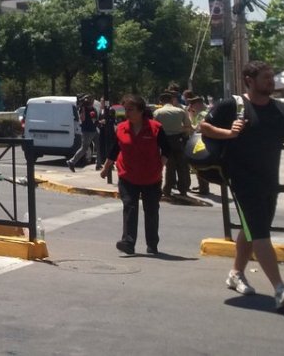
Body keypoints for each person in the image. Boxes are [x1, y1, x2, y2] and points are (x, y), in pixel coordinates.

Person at [200, 60, 284, 310]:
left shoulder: (281, 111)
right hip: (242, 180)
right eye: (266, 77)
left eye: (272, 77)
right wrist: (228, 133)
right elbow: (203, 127)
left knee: (252, 229)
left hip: (269, 180)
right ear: (249, 80)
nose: (272, 81)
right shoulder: (232, 105)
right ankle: (280, 288)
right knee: (259, 231)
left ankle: (236, 273)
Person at [99, 94, 167, 255]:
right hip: (127, 176)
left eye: (131, 109)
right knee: (130, 207)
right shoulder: (122, 128)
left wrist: (160, 166)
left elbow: (167, 150)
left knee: (151, 210)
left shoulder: (155, 128)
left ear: (141, 111)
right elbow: (115, 150)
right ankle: (128, 242)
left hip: (151, 177)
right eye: (126, 109)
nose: (127, 113)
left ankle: (152, 244)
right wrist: (106, 168)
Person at [154, 91, 194, 196]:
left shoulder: (158, 112)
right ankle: (183, 189)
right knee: (181, 165)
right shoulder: (180, 111)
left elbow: (154, 128)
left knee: (169, 165)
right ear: (172, 100)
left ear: (161, 101)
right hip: (179, 139)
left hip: (165, 140)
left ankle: (168, 188)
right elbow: (188, 126)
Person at [186, 96, 211, 195]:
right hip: (200, 141)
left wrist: (187, 126)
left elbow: (197, 128)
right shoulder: (199, 114)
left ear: (198, 104)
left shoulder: (202, 114)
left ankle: (204, 188)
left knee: (200, 165)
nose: (190, 107)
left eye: (192, 105)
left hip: (201, 142)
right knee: (198, 167)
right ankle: (202, 185)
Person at [67, 95, 98, 171]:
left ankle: (99, 164)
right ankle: (72, 161)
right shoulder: (83, 109)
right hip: (87, 131)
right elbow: (82, 119)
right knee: (84, 148)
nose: (92, 102)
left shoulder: (93, 109)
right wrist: (83, 108)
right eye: (91, 100)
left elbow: (95, 119)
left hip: (94, 130)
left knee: (99, 146)